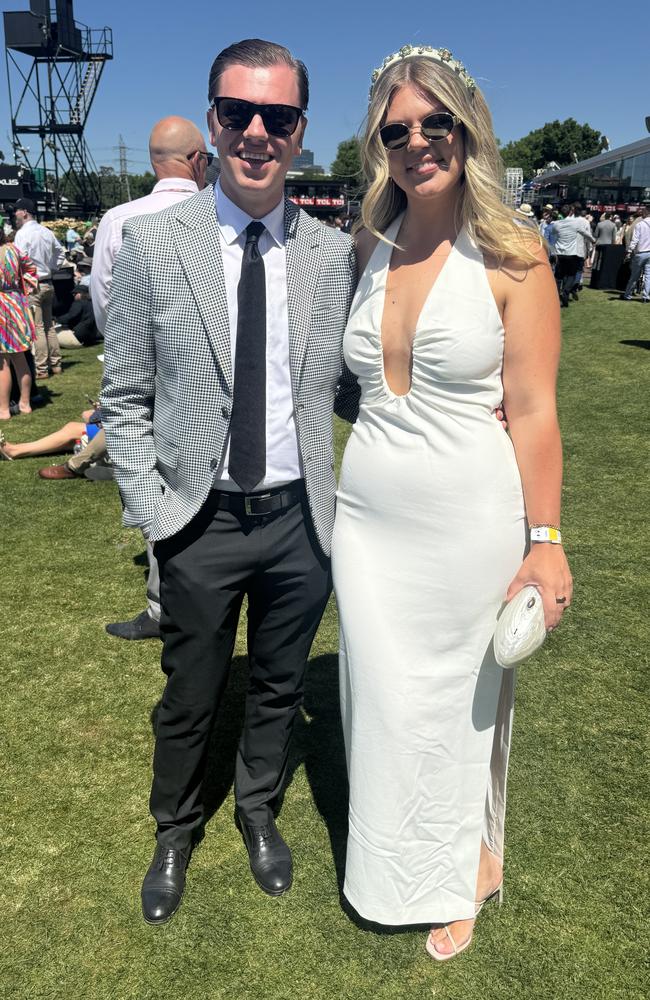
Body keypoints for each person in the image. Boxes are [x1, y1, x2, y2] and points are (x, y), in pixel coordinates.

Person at [100, 38, 358, 925]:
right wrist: (157, 518)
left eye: (277, 118)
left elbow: (357, 382)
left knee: (279, 688)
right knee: (190, 693)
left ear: (299, 132)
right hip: (197, 518)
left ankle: (256, 811)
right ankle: (174, 826)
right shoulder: (154, 242)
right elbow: (122, 398)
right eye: (238, 114)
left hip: (298, 523)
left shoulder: (331, 253)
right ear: (211, 122)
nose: (256, 132)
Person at [331, 44, 572, 961]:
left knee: (460, 699)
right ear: (379, 143)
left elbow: (540, 409)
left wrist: (544, 539)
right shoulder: (368, 242)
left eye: (437, 124)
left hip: (469, 515)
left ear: (469, 131)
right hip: (368, 522)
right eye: (398, 130)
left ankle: (471, 859)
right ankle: (391, 857)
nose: (418, 142)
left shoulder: (516, 256)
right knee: (383, 699)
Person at [92, 115, 209, 641]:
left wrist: (125, 353)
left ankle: (166, 604)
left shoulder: (120, 219)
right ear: (198, 158)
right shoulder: (211, 216)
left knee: (159, 479)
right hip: (201, 371)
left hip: (139, 371)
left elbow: (103, 307)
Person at [13, 198, 66, 379]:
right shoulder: (46, 231)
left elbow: (20, 260)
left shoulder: (22, 234)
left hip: (32, 284)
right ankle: (56, 364)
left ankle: (42, 368)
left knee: (38, 327)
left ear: (24, 212)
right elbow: (61, 252)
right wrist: (51, 268)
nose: (14, 214)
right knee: (49, 326)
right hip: (47, 282)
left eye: (16, 211)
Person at [0, 228, 37, 419]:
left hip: (1, 306)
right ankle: (25, 403)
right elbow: (31, 269)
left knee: (2, 361)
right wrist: (26, 289)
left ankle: (3, 409)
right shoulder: (14, 250)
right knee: (20, 357)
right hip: (16, 303)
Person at [0, 407, 101, 461]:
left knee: (73, 429)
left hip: (113, 431)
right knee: (73, 440)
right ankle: (15, 450)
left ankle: (14, 451)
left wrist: (96, 415)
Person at [549, 203, 593, 306]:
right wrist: (593, 240)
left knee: (559, 275)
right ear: (571, 212)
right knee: (571, 275)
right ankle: (565, 292)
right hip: (571, 253)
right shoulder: (575, 223)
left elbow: (554, 235)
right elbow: (585, 233)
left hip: (560, 253)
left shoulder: (556, 224)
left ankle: (557, 293)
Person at [623, 205, 650, 302]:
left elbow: (635, 240)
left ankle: (628, 295)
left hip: (640, 253)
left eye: (643, 212)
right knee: (649, 276)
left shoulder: (640, 225)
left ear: (646, 213)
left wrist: (629, 251)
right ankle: (646, 297)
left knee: (634, 276)